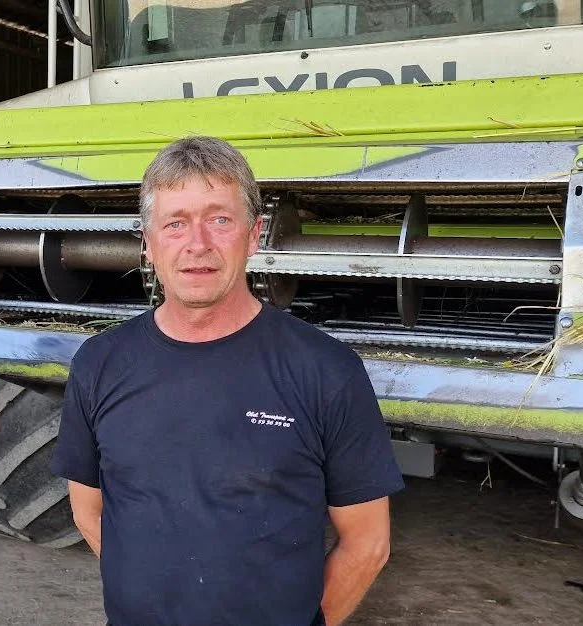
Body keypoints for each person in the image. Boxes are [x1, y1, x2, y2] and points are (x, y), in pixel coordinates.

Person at [50, 136, 404, 626]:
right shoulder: (100, 363)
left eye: (219, 219)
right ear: (148, 244)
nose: (198, 244)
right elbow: (89, 512)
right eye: (175, 223)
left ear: (254, 235)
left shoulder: (324, 370)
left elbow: (368, 544)